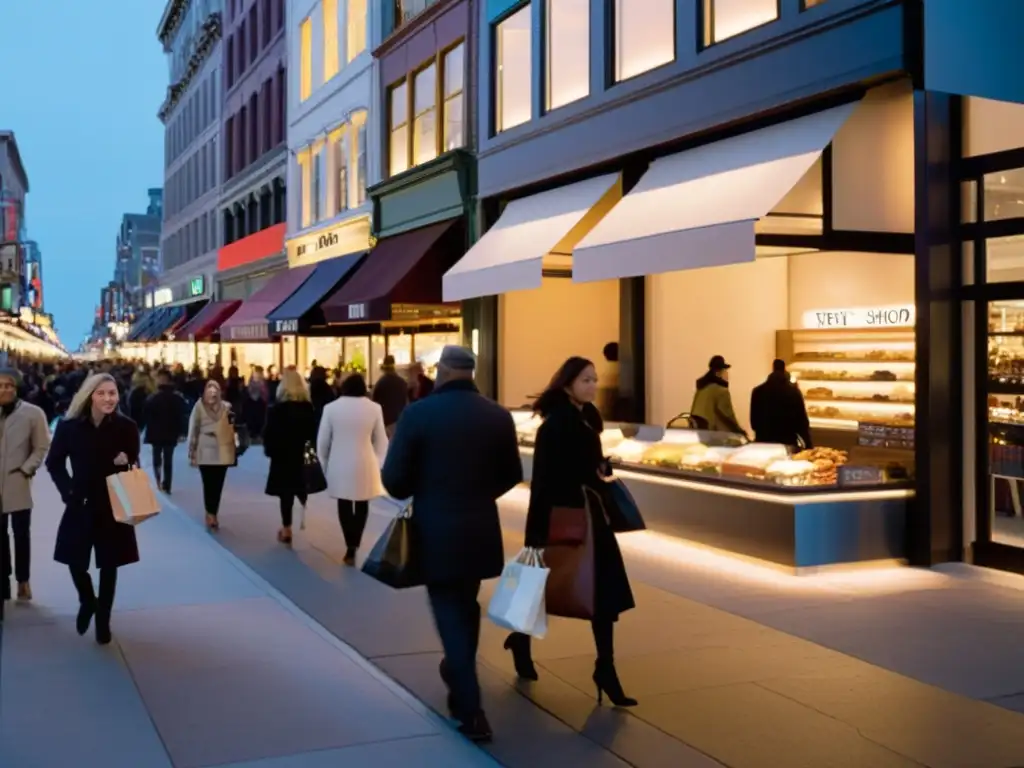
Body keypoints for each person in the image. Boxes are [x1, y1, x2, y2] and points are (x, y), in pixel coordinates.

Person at [382, 346, 522, 743]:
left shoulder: (418, 415)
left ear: (441, 371)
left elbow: (394, 481)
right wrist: (478, 494)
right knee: (465, 603)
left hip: (435, 530)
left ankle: (471, 707)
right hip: (479, 530)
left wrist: (427, 490)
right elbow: (511, 473)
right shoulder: (497, 416)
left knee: (448, 609)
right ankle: (457, 672)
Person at [506, 356, 638, 707]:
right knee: (552, 583)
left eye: (594, 379)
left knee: (603, 595)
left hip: (591, 516)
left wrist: (601, 466)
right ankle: (521, 639)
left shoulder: (587, 418)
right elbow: (544, 482)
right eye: (585, 380)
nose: (593, 385)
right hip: (565, 516)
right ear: (567, 384)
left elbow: (586, 467)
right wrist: (535, 533)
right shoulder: (556, 426)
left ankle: (605, 667)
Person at [46, 373, 141, 645]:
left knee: (109, 565)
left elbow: (132, 459)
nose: (108, 398)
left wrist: (127, 459)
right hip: (81, 502)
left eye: (112, 393)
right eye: (102, 393)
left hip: (113, 502)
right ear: (89, 396)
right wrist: (69, 492)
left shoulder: (126, 426)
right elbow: (54, 463)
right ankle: (88, 600)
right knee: (73, 559)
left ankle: (103, 621)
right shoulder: (69, 427)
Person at [317, 373, 388, 564]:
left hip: (339, 461)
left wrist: (324, 464)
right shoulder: (374, 408)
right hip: (366, 461)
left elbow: (322, 442)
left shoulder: (331, 408)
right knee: (363, 502)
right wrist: (379, 462)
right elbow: (381, 440)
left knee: (344, 503)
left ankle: (349, 544)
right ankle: (355, 541)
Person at [0, 367, 51, 603]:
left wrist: (26, 468)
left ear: (16, 387)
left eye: (9, 385)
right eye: (0, 385)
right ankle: (3, 581)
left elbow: (41, 446)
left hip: (17, 481)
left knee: (21, 534)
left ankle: (23, 580)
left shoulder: (32, 413)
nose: (4, 390)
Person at [263, 369, 316, 544]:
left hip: (282, 456)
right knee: (297, 485)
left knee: (285, 493)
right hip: (300, 455)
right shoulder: (308, 409)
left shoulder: (276, 409)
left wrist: (270, 451)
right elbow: (312, 434)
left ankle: (287, 528)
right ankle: (301, 504)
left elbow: (269, 434)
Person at [188, 380, 236, 531]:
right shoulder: (221, 407)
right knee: (214, 483)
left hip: (211, 448)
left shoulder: (221, 407)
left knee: (212, 483)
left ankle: (211, 513)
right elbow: (231, 429)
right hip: (215, 449)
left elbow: (193, 428)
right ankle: (212, 512)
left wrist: (192, 448)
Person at [750, 359, 813, 448]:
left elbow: (754, 423)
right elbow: (802, 423)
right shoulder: (793, 392)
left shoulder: (757, 391)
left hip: (762, 443)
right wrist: (808, 444)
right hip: (787, 442)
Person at [144, 369, 186, 494]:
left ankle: (158, 480)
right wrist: (182, 431)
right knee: (168, 458)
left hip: (156, 432)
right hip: (171, 432)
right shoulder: (177, 397)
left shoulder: (153, 397)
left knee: (157, 457)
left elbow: (146, 414)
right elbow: (182, 415)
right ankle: (167, 484)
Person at [690, 355, 746, 435]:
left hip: (700, 432)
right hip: (715, 434)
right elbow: (728, 415)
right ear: (718, 373)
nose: (727, 374)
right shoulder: (721, 391)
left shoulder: (702, 388)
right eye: (725, 371)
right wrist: (740, 431)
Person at [372, 354, 409, 438]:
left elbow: (374, 401)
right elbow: (406, 401)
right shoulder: (402, 382)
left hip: (385, 421)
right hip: (399, 420)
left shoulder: (381, 382)